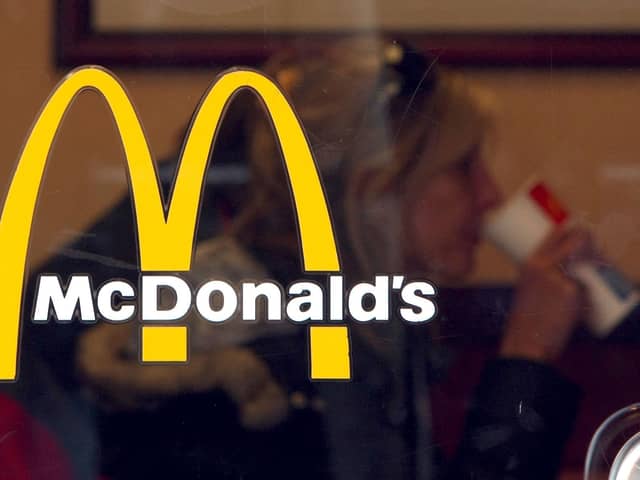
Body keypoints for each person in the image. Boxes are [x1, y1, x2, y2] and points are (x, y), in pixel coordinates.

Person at [76, 38, 592, 479]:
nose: (489, 197)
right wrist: (529, 351)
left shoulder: (356, 323)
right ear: (374, 188)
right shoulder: (250, 351)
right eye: (462, 167)